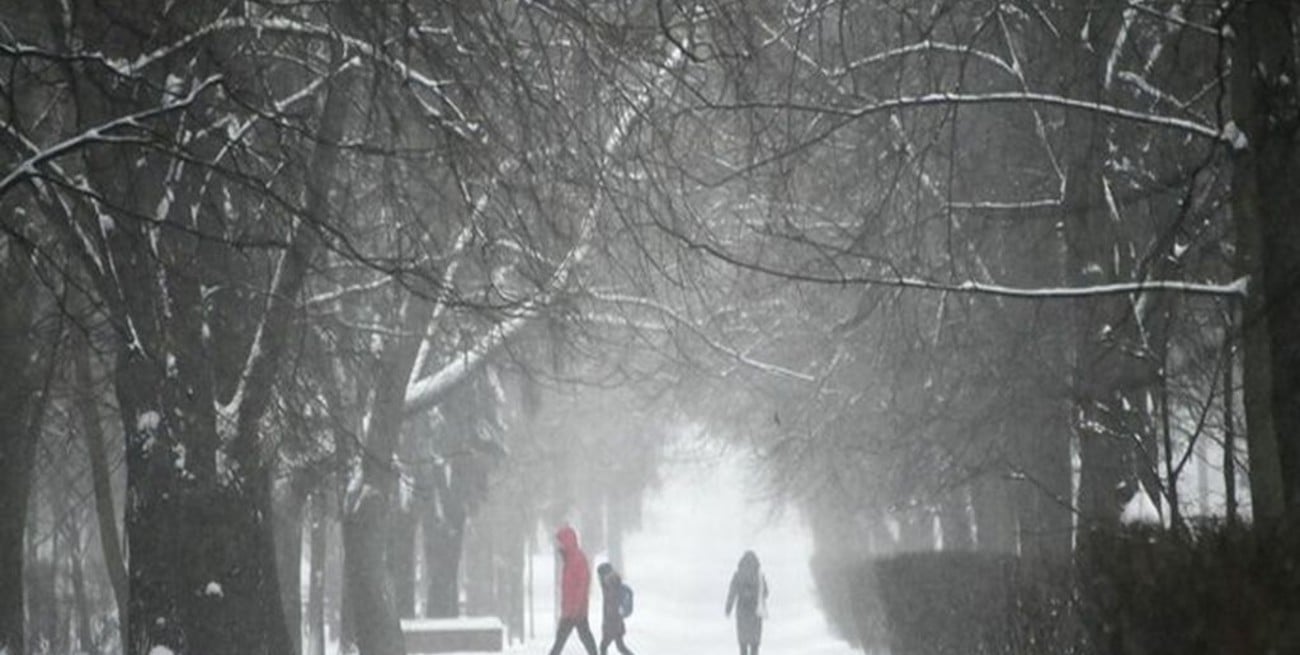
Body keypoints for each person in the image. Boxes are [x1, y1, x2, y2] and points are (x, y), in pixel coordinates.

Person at [548, 525, 598, 655]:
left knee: (562, 640)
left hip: (574, 610)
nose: (558, 546)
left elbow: (582, 585)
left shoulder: (576, 560)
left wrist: (575, 607)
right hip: (573, 609)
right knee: (582, 636)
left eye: (560, 542)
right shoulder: (570, 559)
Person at [725, 550, 769, 655]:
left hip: (742, 612)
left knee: (743, 643)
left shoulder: (738, 575)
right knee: (754, 643)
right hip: (755, 612)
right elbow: (766, 593)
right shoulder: (759, 576)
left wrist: (728, 608)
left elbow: (732, 592)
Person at [596, 562, 635, 655]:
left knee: (603, 646)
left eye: (600, 576)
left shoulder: (612, 587)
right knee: (620, 647)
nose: (599, 579)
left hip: (612, 623)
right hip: (616, 623)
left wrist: (608, 625)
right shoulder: (610, 585)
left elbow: (612, 607)